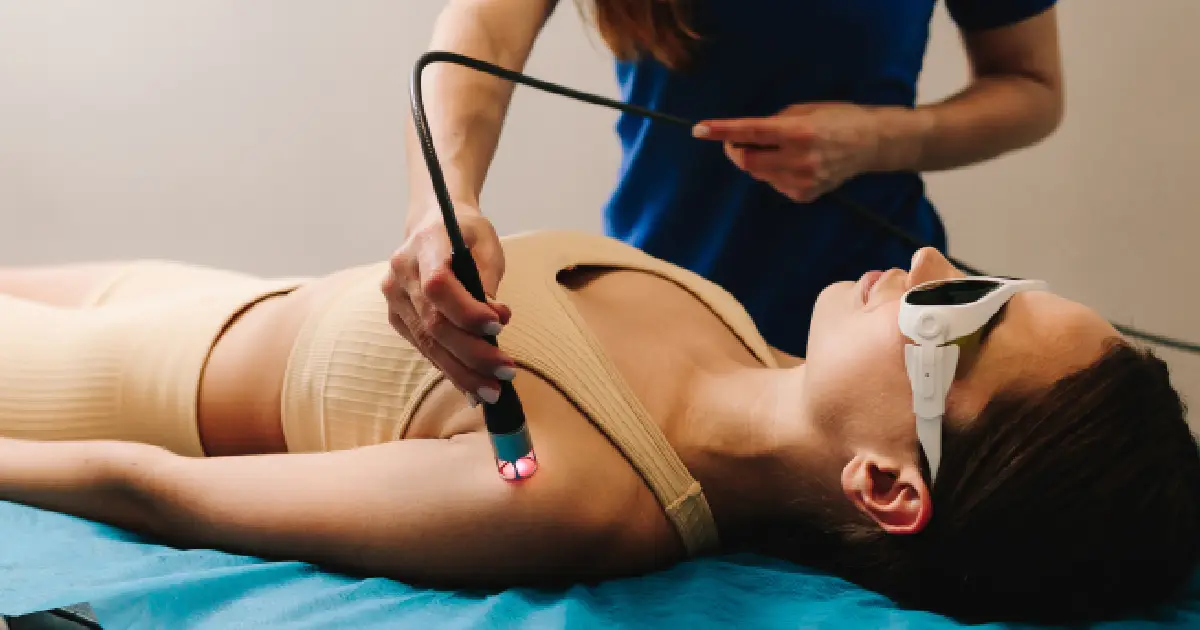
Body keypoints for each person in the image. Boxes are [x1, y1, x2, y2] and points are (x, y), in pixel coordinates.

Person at [0, 231, 1196, 625]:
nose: (932, 259)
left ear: (889, 485)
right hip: (189, 292)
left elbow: (154, 491)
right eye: (982, 276)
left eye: (962, 321)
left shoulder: (581, 497)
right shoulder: (736, 331)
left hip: (86, 384)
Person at [386, 0, 1066, 407]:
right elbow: (481, 35)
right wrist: (440, 210)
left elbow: (1031, 86)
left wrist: (882, 140)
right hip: (649, 313)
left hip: (866, 322)